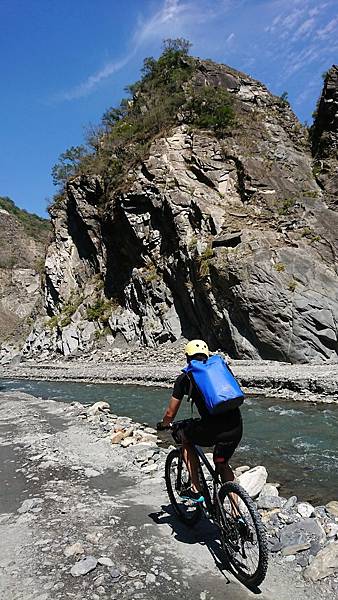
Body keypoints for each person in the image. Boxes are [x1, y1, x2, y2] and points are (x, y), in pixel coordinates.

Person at [157, 339, 243, 502]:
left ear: (187, 357)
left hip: (212, 428)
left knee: (185, 438)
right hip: (235, 426)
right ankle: (236, 515)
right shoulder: (221, 369)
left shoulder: (185, 377)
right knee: (222, 463)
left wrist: (164, 424)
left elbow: (170, 412)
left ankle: (196, 488)